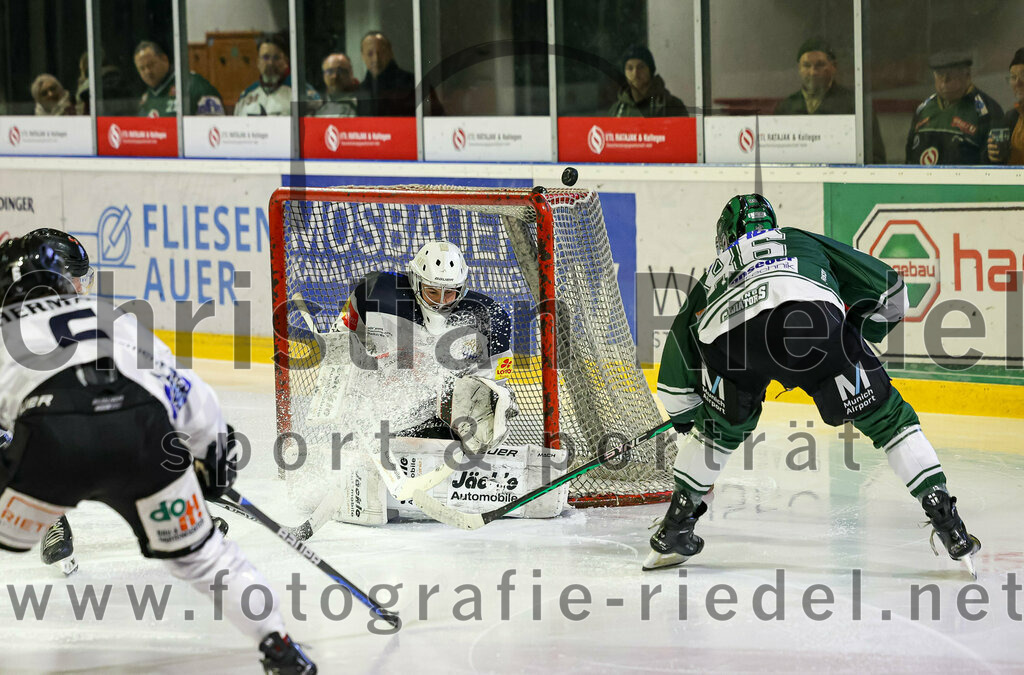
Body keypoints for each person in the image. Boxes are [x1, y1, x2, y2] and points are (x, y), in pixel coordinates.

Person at [0, 237, 316, 674]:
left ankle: (47, 516)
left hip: (52, 446)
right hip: (142, 437)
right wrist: (213, 458)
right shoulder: (113, 317)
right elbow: (186, 390)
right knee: (205, 558)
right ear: (61, 282)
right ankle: (281, 648)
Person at [645, 194, 981, 577]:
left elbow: (674, 375)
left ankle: (674, 529)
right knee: (891, 422)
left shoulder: (712, 274)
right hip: (811, 323)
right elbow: (893, 291)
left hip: (729, 343)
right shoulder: (799, 239)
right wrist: (856, 334)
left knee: (717, 434)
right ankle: (949, 525)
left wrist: (690, 417)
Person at [295, 241, 546, 533]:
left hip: (438, 418)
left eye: (450, 293)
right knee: (353, 425)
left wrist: (491, 408)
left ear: (462, 288)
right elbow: (341, 346)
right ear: (416, 282)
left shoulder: (489, 317)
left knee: (486, 403)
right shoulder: (374, 294)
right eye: (432, 292)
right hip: (379, 407)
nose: (441, 301)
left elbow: (491, 384)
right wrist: (344, 388)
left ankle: (443, 468)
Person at [774, 38, 886, 163]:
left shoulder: (855, 105)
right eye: (806, 65)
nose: (813, 72)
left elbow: (875, 158)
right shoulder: (786, 108)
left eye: (820, 65)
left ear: (834, 66)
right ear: (799, 68)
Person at [905, 52, 1003, 165]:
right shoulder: (924, 108)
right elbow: (909, 156)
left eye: (951, 76)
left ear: (967, 76)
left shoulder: (987, 110)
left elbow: (994, 165)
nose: (944, 82)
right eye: (939, 75)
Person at [357, 30, 442, 116]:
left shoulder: (414, 84)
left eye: (381, 52)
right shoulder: (361, 90)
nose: (376, 59)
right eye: (370, 54)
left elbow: (436, 120)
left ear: (390, 52)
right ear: (362, 56)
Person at [235, 33, 319, 116]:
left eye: (276, 58)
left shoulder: (301, 93)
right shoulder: (247, 95)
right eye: (265, 57)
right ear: (258, 62)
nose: (270, 63)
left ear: (286, 61)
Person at [133, 40, 224, 117]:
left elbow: (214, 127)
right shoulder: (145, 99)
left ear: (164, 59)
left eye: (151, 65)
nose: (147, 72)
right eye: (142, 68)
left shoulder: (195, 86)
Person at [608, 45, 688, 118]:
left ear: (650, 70)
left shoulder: (672, 106)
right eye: (630, 68)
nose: (635, 73)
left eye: (641, 67)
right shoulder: (616, 110)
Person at [987, 47, 1024, 165]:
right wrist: (993, 155)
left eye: (1023, 76)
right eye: (1013, 77)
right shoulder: (1012, 117)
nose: (1018, 82)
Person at [315, 52, 360, 117]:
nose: (335, 76)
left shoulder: (363, 103)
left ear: (351, 73)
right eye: (330, 71)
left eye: (340, 71)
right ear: (324, 76)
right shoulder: (319, 109)